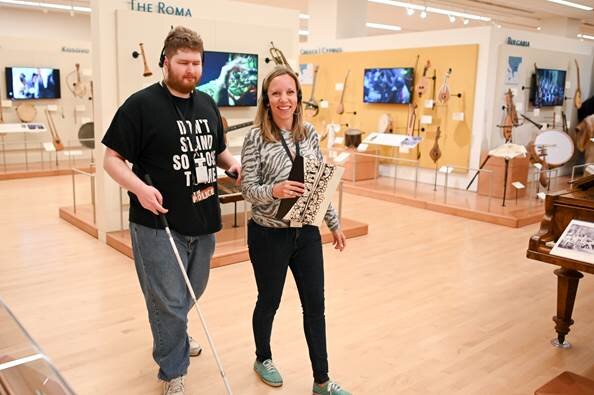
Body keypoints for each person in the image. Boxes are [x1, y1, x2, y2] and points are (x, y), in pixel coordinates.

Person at [102, 26, 240, 395]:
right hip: (157, 222)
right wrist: (140, 189)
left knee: (189, 294)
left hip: (204, 218)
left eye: (197, 63)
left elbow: (217, 148)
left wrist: (233, 165)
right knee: (168, 300)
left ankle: (175, 336)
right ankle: (172, 371)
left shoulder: (208, 103)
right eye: (183, 63)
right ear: (166, 61)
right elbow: (112, 160)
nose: (191, 70)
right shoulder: (140, 105)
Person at [240, 66, 351, 395]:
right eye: (276, 93)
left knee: (316, 305)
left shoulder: (310, 134)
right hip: (268, 235)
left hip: (307, 233)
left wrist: (334, 223)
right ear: (267, 99)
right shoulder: (255, 137)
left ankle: (322, 380)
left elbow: (319, 183)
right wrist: (274, 191)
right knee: (269, 300)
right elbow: (246, 188)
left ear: (298, 97)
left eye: (289, 92)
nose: (283, 99)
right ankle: (263, 358)